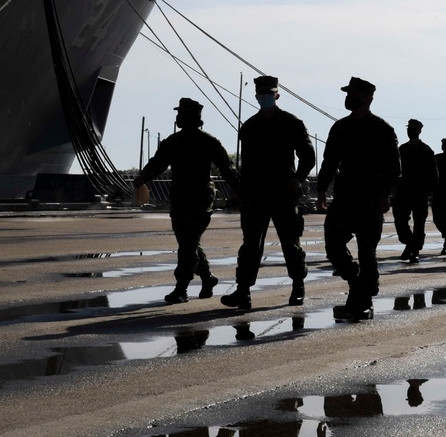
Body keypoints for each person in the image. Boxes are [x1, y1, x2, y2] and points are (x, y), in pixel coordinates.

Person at [221, 75, 315, 310]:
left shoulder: (292, 123)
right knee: (250, 244)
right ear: (257, 97)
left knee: (290, 243)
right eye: (262, 94)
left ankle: (298, 288)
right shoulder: (250, 127)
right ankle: (243, 291)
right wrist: (241, 191)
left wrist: (298, 178)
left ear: (277, 95)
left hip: (284, 193)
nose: (265, 97)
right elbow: (247, 164)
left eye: (269, 94)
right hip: (256, 195)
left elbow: (308, 156)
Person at [134, 98, 240, 303]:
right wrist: (142, 178)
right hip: (180, 198)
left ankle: (181, 288)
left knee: (188, 243)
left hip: (200, 198)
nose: (177, 118)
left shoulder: (209, 142)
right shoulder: (173, 142)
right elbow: (158, 163)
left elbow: (228, 168)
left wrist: (240, 190)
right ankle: (207, 278)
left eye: (181, 114)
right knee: (187, 242)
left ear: (189, 118)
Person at [316, 77, 400, 320]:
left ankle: (362, 299)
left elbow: (394, 169)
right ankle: (358, 282)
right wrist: (321, 190)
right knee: (333, 248)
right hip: (344, 198)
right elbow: (330, 161)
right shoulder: (340, 128)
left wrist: (385, 194)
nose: (348, 97)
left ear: (368, 98)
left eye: (354, 93)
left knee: (366, 251)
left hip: (371, 200)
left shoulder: (382, 130)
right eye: (348, 92)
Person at [393, 119, 438, 263]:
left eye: (413, 129)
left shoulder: (426, 150)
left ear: (419, 131)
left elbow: (433, 174)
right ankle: (410, 243)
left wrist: (429, 191)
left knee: (419, 223)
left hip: (419, 192)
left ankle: (415, 250)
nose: (410, 131)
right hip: (403, 191)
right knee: (400, 221)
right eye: (409, 129)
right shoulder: (402, 150)